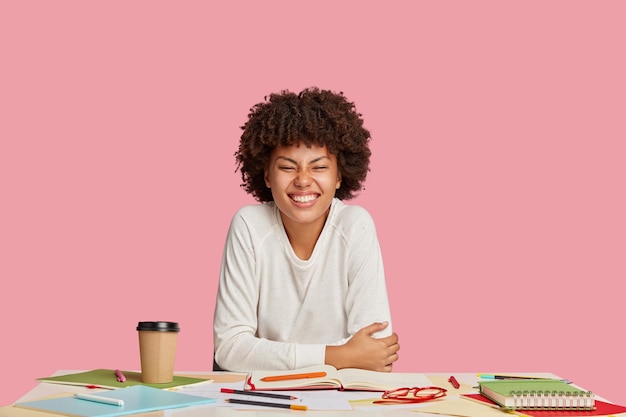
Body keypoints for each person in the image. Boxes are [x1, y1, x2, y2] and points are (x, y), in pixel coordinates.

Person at [212, 87, 399, 373]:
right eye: (287, 167)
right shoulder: (249, 226)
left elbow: (376, 352)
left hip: (339, 399)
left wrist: (268, 354)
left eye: (319, 167)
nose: (303, 180)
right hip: (260, 400)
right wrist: (340, 356)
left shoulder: (355, 226)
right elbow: (230, 349)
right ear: (266, 175)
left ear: (339, 176)